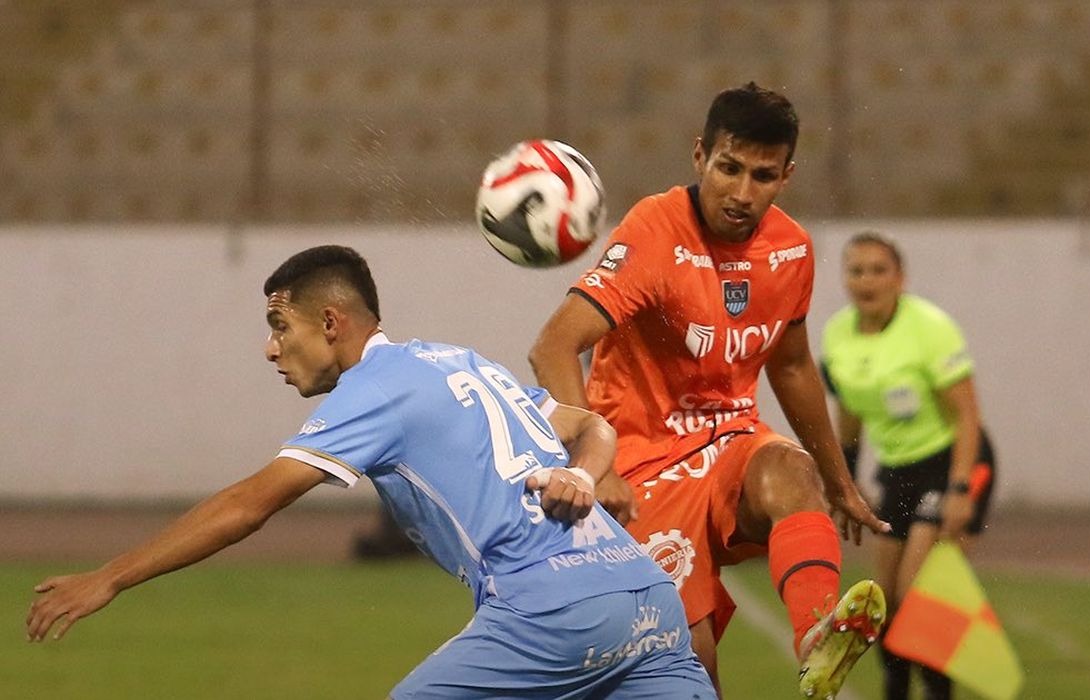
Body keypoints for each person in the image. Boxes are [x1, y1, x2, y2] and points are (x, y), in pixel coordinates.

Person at [26, 245, 716, 700]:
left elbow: (248, 506)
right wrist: (585, 477)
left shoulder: (374, 387)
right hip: (647, 600)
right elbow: (595, 426)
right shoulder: (459, 360)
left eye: (279, 324)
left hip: (550, 614)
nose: (270, 348)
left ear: (330, 322)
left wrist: (110, 576)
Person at [529, 82, 890, 697]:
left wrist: (838, 479)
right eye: (729, 168)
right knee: (688, 661)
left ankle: (817, 637)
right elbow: (553, 347)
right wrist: (593, 465)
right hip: (640, 464)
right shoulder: (654, 229)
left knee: (790, 472)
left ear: (786, 177)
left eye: (763, 176)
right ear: (700, 155)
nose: (742, 193)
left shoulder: (791, 250)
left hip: (728, 441)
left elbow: (795, 367)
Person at [820, 232, 996, 700]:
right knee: (885, 601)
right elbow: (850, 417)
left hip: (952, 462)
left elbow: (967, 416)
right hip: (898, 470)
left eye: (879, 270)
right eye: (856, 270)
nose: (866, 280)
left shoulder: (929, 328)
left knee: (918, 596)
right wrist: (845, 481)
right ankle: (895, 689)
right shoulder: (838, 335)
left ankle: (939, 693)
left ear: (900, 278)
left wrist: (960, 490)